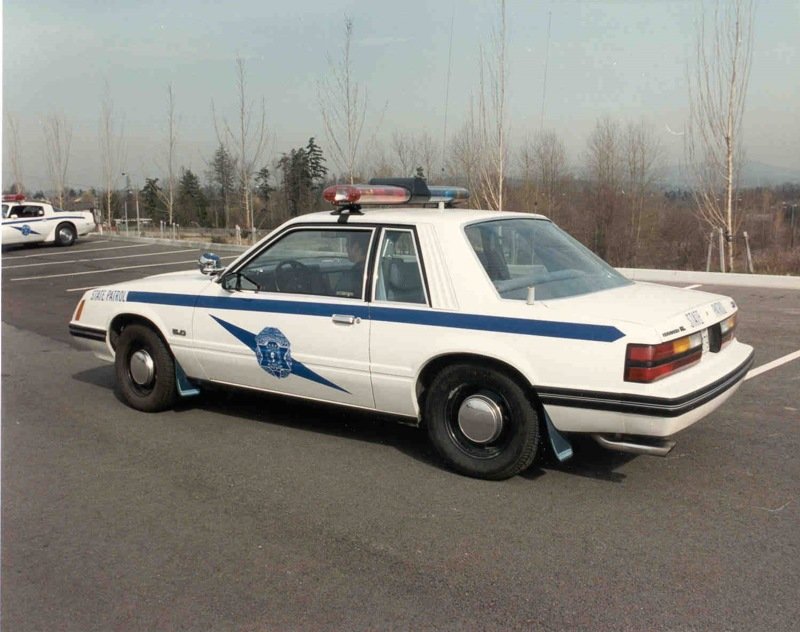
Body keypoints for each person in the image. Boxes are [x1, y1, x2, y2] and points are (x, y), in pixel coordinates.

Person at [335, 232, 369, 298]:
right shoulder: (374, 269)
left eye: (347, 244)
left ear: (356, 247)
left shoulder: (353, 275)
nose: (346, 248)